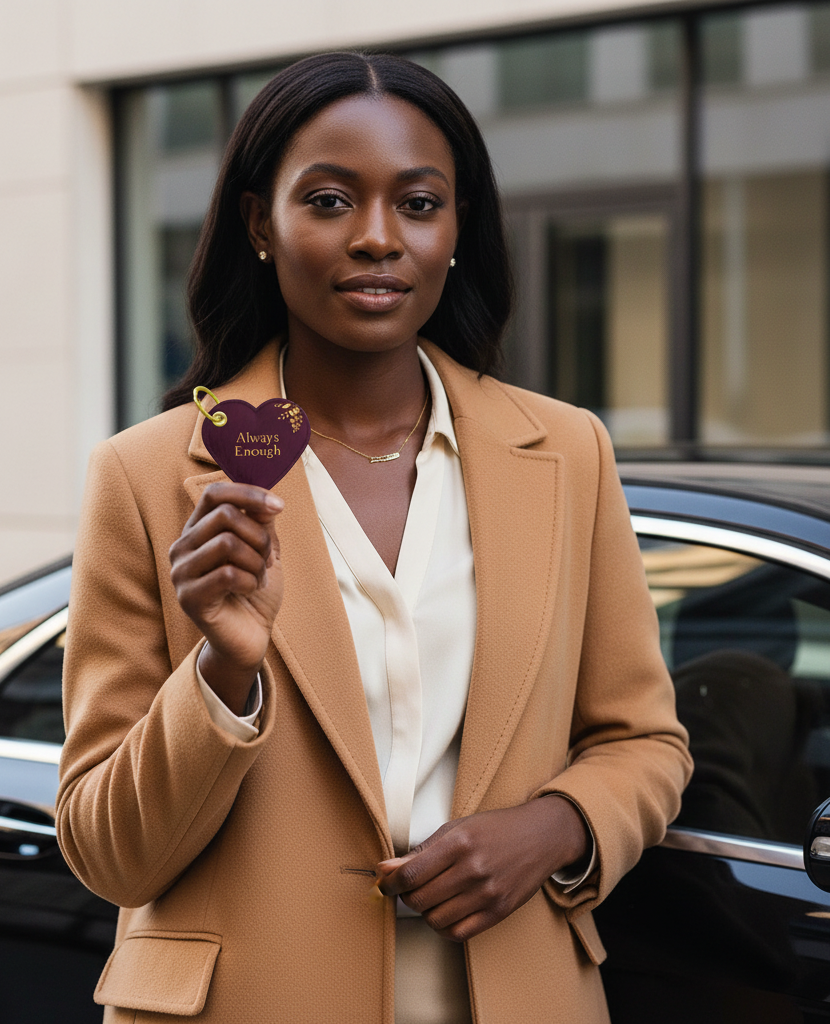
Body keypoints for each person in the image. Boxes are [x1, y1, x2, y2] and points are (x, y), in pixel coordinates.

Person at [57, 51, 691, 1024]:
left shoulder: (567, 453)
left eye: (418, 202)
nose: (377, 238)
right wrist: (222, 677)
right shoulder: (146, 476)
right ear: (260, 225)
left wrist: (555, 825)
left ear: (456, 228)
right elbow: (110, 854)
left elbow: (643, 740)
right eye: (328, 200)